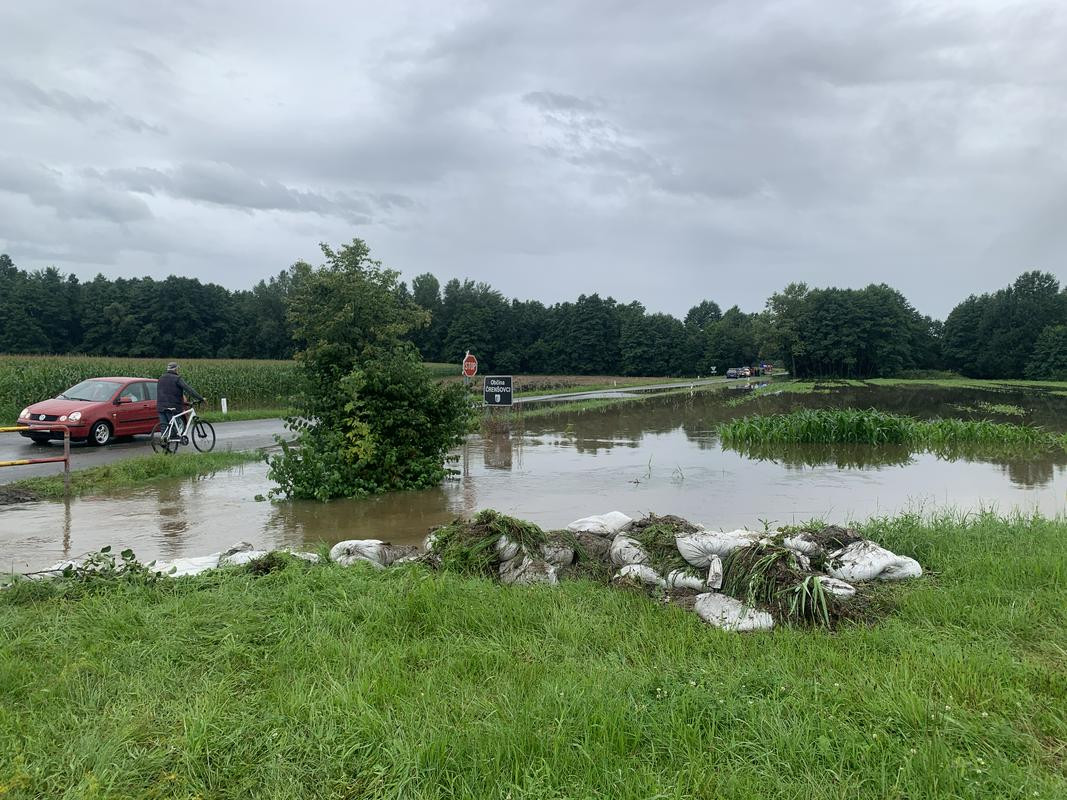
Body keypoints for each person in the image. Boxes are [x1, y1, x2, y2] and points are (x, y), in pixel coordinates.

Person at [157, 362, 205, 439]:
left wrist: (185, 403)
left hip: (161, 407)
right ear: (175, 369)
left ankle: (165, 445)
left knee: (164, 428)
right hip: (173, 406)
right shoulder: (177, 379)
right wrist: (200, 398)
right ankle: (176, 440)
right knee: (176, 428)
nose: (178, 370)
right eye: (178, 369)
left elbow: (165, 393)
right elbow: (189, 390)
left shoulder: (161, 378)